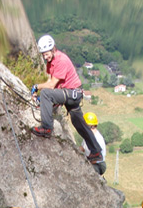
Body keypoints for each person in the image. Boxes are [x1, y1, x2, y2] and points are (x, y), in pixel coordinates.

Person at [30, 35, 104, 165]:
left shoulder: (61, 60)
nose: (45, 57)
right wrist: (42, 101)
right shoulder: (51, 62)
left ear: (53, 49)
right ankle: (96, 151)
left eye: (47, 54)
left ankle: (46, 128)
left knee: (47, 93)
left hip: (72, 93)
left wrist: (37, 87)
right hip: (71, 94)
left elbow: (52, 85)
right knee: (79, 124)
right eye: (43, 55)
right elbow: (52, 81)